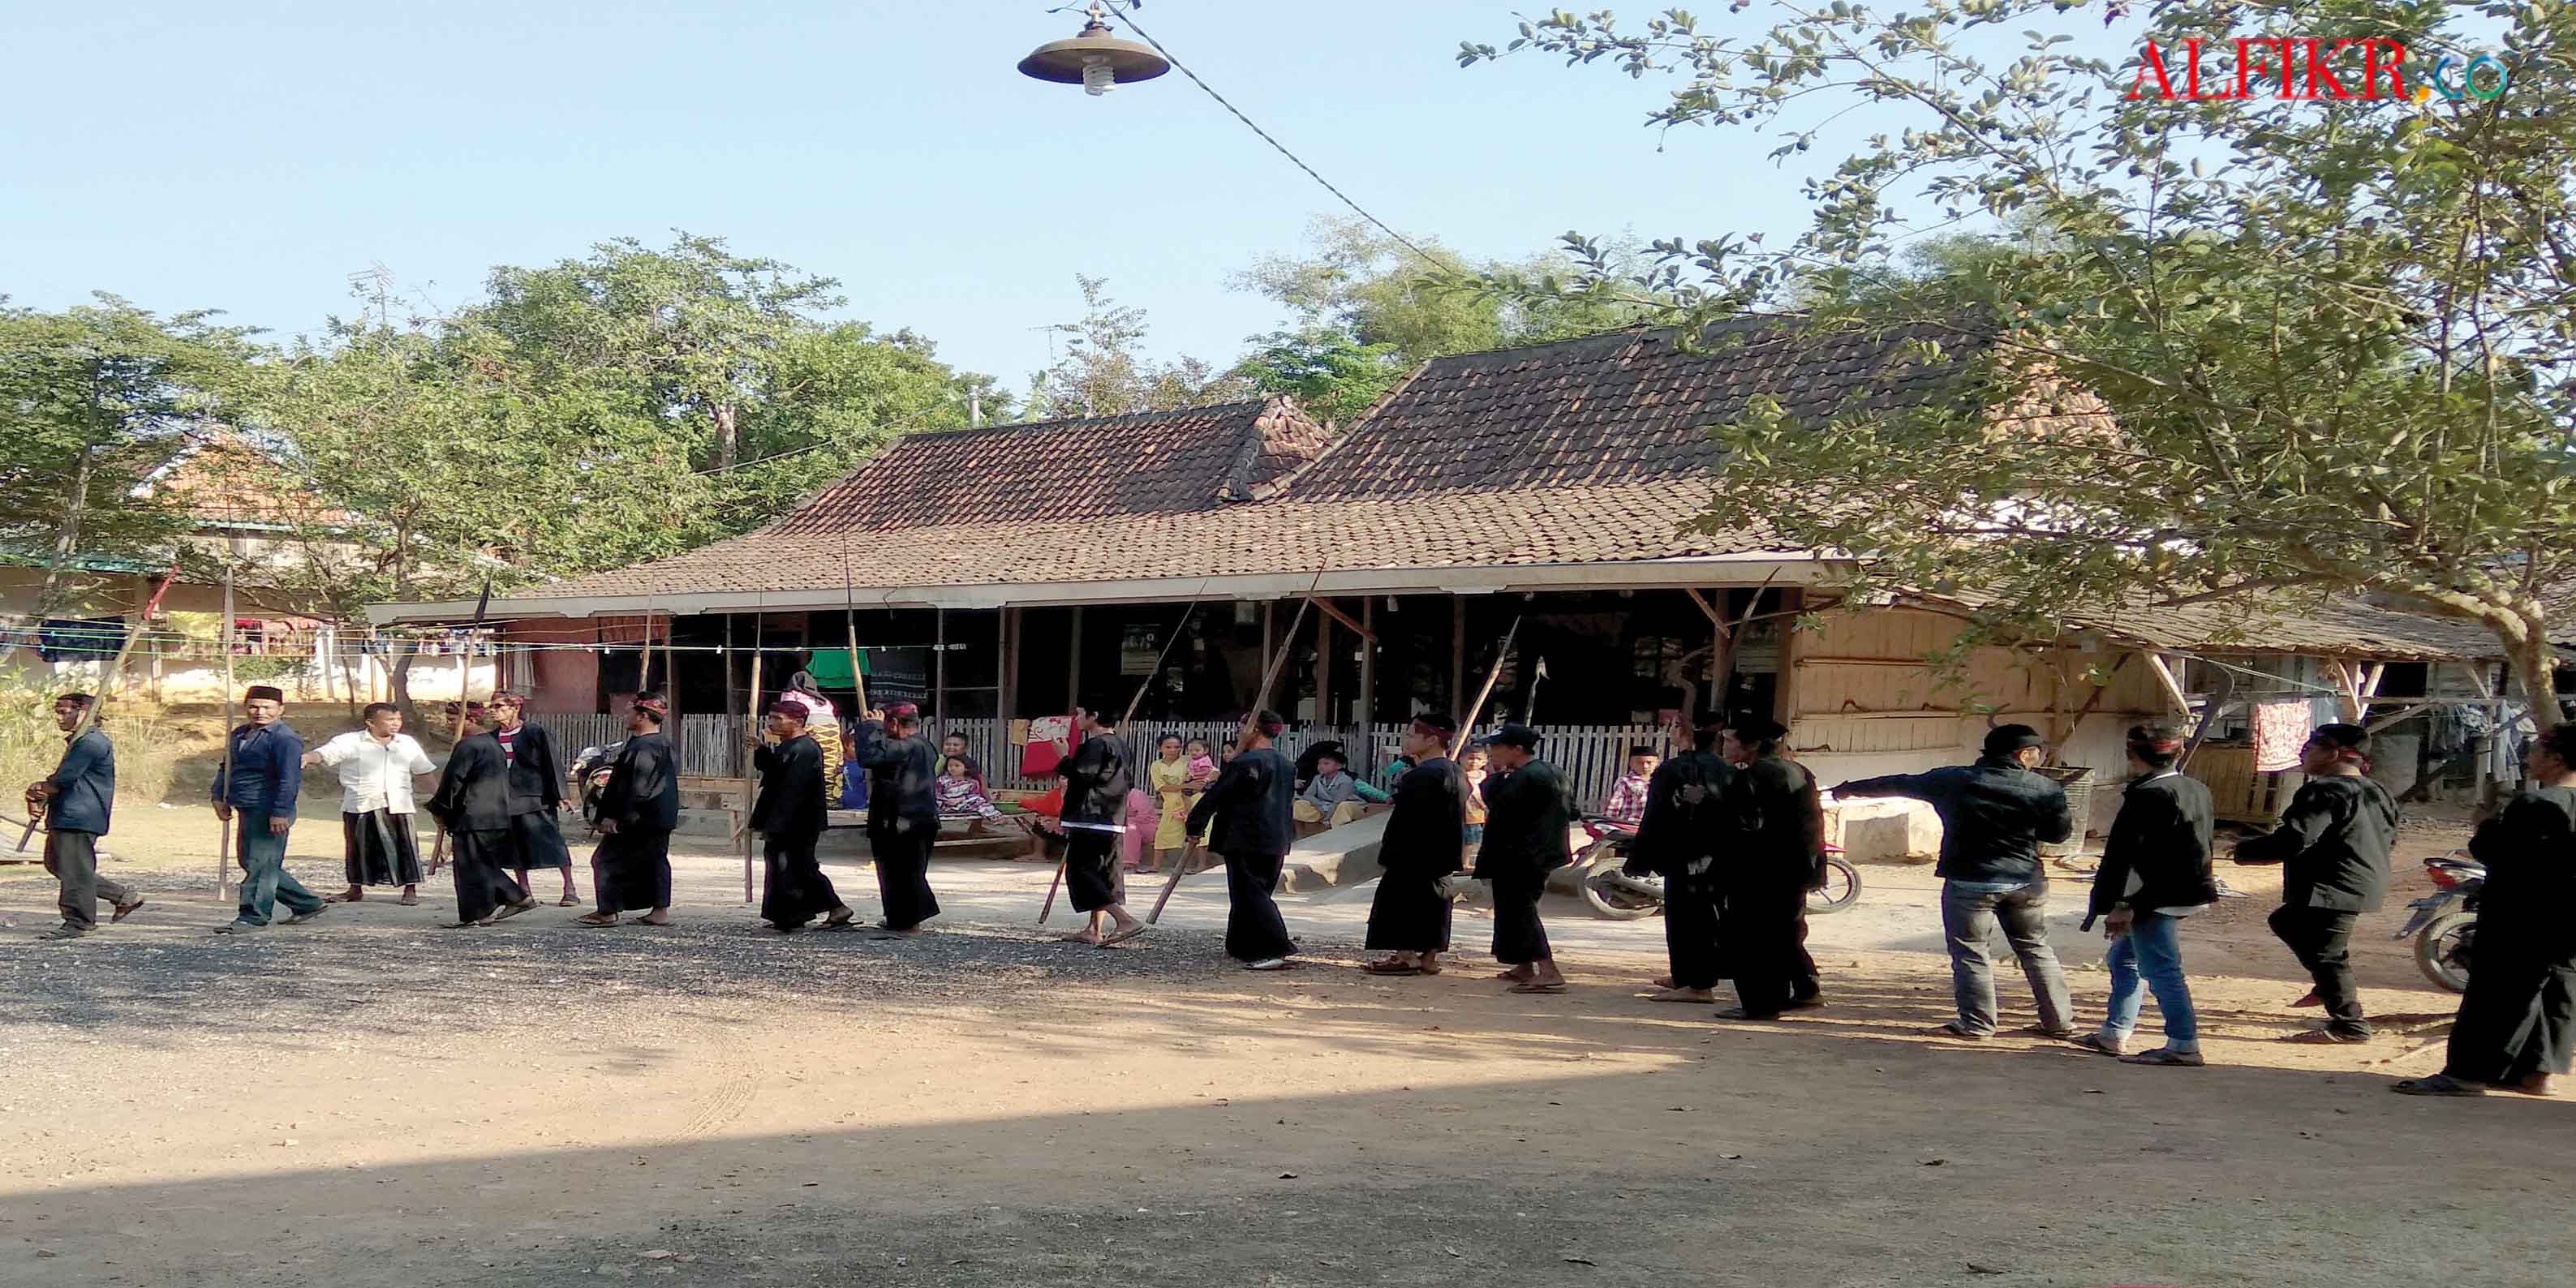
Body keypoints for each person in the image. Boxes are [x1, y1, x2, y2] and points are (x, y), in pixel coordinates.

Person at [1837, 724, 2078, 1039]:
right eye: (2037, 752)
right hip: (2025, 882)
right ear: (2024, 754)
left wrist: (1847, 788)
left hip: (1969, 881)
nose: (2039, 758)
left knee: (1970, 952)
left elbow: (1897, 783)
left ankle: (1978, 1024)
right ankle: (2059, 1022)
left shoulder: (1950, 780)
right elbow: (2057, 835)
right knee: (2035, 948)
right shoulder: (2045, 788)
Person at [2396, 721, 2576, 1097]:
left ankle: (2467, 1074)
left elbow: (2503, 856)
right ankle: (2536, 1073)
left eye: (2536, 750)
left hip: (2522, 914)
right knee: (2556, 991)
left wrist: (2484, 827)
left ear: (2555, 760)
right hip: (2568, 919)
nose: (2529, 757)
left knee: (2496, 994)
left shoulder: (2538, 804)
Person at [2231, 722, 2398, 1044]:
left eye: (2312, 747)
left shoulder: (2324, 791)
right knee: (2286, 921)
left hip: (2331, 887)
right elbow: (2390, 838)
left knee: (2328, 956)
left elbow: (2295, 839)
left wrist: (2244, 851)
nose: (2303, 753)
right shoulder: (2378, 792)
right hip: (2360, 882)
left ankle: (2350, 1024)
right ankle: (2328, 987)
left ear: (2335, 753)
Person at [2075, 723, 2218, 1066]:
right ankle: (2113, 1033)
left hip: (2151, 896)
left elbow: (2134, 857)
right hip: (2185, 887)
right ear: (2178, 752)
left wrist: (2125, 904)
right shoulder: (2195, 788)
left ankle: (2183, 1045)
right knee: (2124, 960)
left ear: (2132, 755)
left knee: (2161, 969)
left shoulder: (2148, 796)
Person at [1716, 717, 1826, 1020]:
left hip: (1760, 872)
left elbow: (1744, 828)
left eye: (1731, 740)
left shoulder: (1753, 776)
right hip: (1796, 869)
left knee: (1753, 939)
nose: (1726, 747)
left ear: (1751, 745)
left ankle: (1760, 1005)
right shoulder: (1799, 772)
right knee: (1784, 933)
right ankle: (1802, 992)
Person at [1628, 716, 1734, 1002]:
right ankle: (1685, 975)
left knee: (1690, 920)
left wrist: (1642, 857)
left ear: (1684, 733)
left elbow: (1656, 815)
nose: (1670, 732)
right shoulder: (1726, 769)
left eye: (1674, 727)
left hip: (1685, 855)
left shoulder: (1673, 769)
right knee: (1705, 917)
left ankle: (1699, 985)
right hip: (1717, 855)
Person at [212, 684, 329, 934]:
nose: (259, 712)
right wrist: (218, 796)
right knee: (253, 862)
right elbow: (227, 766)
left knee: (260, 863)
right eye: (254, 706)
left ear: (280, 710)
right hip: (246, 804)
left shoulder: (285, 739)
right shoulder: (239, 734)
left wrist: (281, 812)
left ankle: (253, 917)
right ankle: (306, 904)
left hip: (270, 807)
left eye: (267, 707)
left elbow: (290, 779)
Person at [25, 693, 143, 938]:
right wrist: (40, 793)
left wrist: (38, 790)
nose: (59, 718)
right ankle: (122, 896)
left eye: (64, 712)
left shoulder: (91, 742)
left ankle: (79, 922)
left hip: (80, 814)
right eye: (57, 711)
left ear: (85, 712)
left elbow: (64, 779)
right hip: (68, 813)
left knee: (73, 870)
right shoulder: (79, 741)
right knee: (58, 864)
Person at [1187, 711, 1299, 968]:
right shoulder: (1286, 763)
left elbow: (1217, 796)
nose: (1238, 732)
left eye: (1242, 727)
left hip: (1246, 836)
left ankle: (1275, 948)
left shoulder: (1245, 763)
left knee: (1252, 894)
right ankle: (1241, 944)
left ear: (1255, 730)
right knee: (1250, 893)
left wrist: (1195, 824)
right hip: (1276, 836)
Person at [1363, 715, 1468, 977]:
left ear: (1432, 740)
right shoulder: (1455, 771)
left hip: (1414, 852)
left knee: (1401, 902)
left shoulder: (1423, 775)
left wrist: (1392, 852)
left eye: (1411, 735)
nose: (1405, 740)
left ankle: (1405, 955)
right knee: (1436, 903)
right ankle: (1429, 957)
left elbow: (1409, 821)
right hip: (1443, 853)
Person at [305, 702, 437, 906]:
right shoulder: (350, 741)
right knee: (358, 849)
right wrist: (305, 758)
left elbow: (423, 772)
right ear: (370, 722)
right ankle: (355, 889)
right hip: (361, 804)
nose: (396, 724)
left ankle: (410, 889)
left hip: (399, 803)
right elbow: (323, 754)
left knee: (406, 847)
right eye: (390, 720)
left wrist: (439, 796)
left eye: (398, 719)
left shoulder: (407, 743)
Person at [1476, 725, 1575, 994]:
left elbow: (1498, 804)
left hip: (1521, 855)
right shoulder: (1551, 771)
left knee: (1521, 910)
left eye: (1496, 747)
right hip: (1539, 852)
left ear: (1516, 749)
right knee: (1513, 909)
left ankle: (1548, 970)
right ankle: (1523, 965)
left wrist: (1497, 778)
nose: (1491, 753)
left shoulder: (1524, 778)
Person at [422, 706, 538, 928]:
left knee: (470, 866)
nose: (449, 724)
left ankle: (484, 911)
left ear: (471, 720)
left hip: (473, 814)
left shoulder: (468, 746)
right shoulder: (493, 745)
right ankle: (511, 900)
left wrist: (440, 808)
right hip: (493, 814)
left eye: (453, 719)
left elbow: (453, 781)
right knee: (478, 863)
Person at [750, 701, 854, 932]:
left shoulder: (805, 749)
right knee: (784, 866)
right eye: (771, 717)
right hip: (787, 819)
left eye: (778, 718)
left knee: (798, 867)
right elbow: (775, 771)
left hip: (797, 821)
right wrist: (761, 749)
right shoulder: (789, 745)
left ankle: (836, 907)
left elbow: (792, 791)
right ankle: (790, 915)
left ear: (797, 722)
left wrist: (775, 824)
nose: (772, 722)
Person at [578, 692, 680, 928]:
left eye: (629, 712)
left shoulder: (645, 748)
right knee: (654, 861)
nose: (625, 717)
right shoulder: (660, 744)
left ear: (643, 716)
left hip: (638, 818)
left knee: (605, 860)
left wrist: (614, 816)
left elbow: (637, 786)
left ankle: (607, 911)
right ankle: (659, 912)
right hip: (657, 817)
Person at [1052, 703, 1147, 947]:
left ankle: (1124, 920)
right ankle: (1094, 930)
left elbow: (1083, 775)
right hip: (1111, 817)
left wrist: (1064, 757)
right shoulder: (1120, 745)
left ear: (1094, 716)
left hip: (1091, 816)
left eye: (1081, 713)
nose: (1077, 718)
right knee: (1102, 873)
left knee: (1082, 873)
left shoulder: (1095, 744)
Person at [484, 692, 578, 907]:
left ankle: (569, 888)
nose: (493, 710)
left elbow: (552, 762)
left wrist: (562, 794)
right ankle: (524, 892)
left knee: (553, 842)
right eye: (492, 706)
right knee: (516, 846)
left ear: (515, 708)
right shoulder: (492, 738)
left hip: (536, 797)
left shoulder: (535, 732)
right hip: (507, 799)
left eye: (499, 706)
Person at [856, 702, 942, 933]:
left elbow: (870, 757)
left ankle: (906, 920)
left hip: (905, 820)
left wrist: (870, 728)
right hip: (910, 818)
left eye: (884, 724)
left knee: (903, 873)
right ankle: (902, 917)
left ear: (893, 723)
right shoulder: (920, 744)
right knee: (901, 872)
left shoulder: (909, 746)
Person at [1148, 735, 1204, 874]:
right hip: (1172, 804)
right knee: (1162, 834)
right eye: (1168, 747)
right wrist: (1185, 785)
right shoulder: (1156, 765)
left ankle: (1201, 865)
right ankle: (1156, 866)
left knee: (1201, 833)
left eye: (1177, 747)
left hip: (1194, 801)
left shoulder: (1190, 759)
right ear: (1159, 748)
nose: (1173, 750)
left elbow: (1213, 771)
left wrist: (1200, 783)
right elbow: (1161, 787)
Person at [1294, 751, 1391, 831]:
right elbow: (1308, 795)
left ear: (1339, 766)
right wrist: (1319, 805)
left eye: (1326, 763)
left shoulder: (1346, 780)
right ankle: (1304, 832)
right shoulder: (1317, 778)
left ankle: (1332, 829)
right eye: (1319, 763)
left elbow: (1338, 802)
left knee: (1343, 806)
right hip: (1326, 806)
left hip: (1350, 806)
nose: (1321, 766)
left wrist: (1327, 818)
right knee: (1301, 803)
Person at [1602, 745, 1659, 827]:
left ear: (1657, 763)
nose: (1645, 766)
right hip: (1630, 825)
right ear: (1631, 763)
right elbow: (1613, 807)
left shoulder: (1661, 781)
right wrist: (1607, 825)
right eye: (1640, 763)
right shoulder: (1625, 782)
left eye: (1649, 763)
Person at [935, 757, 1008, 821]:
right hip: (947, 804)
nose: (953, 768)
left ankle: (994, 816)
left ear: (966, 768)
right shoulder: (942, 780)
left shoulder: (972, 782)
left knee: (979, 800)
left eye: (957, 766)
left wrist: (960, 799)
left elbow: (973, 795)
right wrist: (946, 800)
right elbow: (937, 793)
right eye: (950, 766)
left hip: (965, 803)